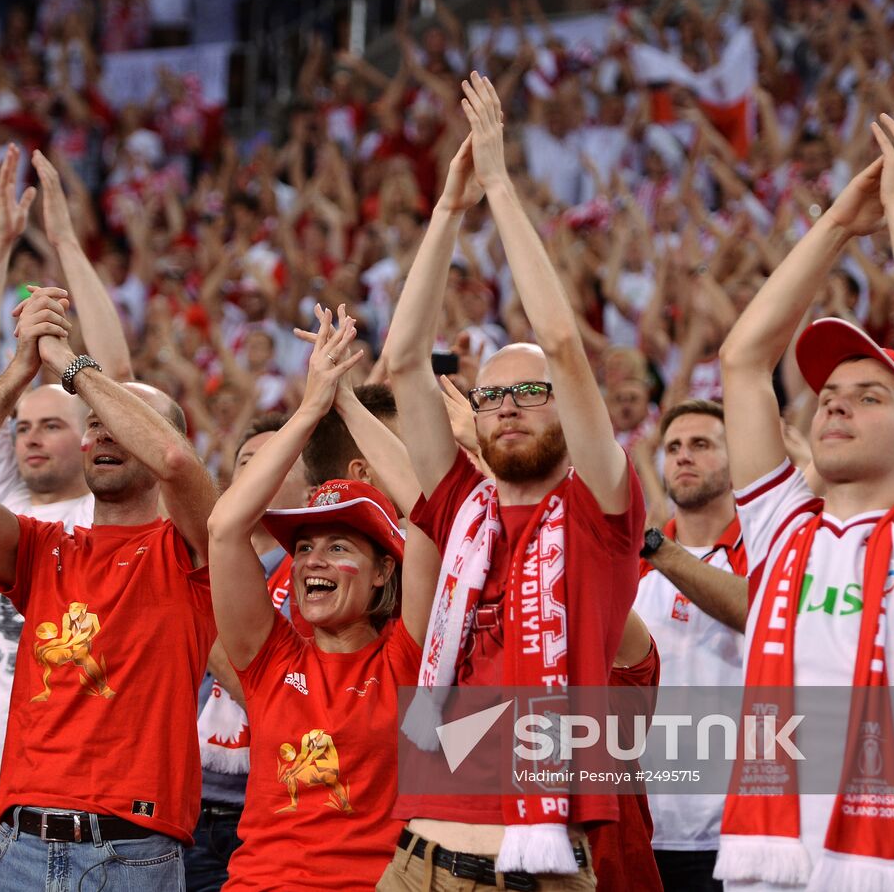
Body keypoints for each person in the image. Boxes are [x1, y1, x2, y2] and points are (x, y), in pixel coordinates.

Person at [380, 73, 643, 889]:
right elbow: (401, 364)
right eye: (491, 396)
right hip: (418, 857)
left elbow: (563, 343)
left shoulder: (601, 510)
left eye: (531, 394)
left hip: (536, 868)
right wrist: (448, 212)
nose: (508, 408)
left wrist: (497, 184)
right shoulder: (462, 504)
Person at [715, 112, 894, 890]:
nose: (834, 405)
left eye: (870, 396)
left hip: (892, 873)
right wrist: (838, 222)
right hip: (765, 869)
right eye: (829, 394)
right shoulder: (781, 529)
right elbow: (742, 360)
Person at [0, 285, 219, 891]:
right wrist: (17, 374)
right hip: (18, 845)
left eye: (121, 427)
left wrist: (73, 367)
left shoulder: (194, 548)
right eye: (96, 427)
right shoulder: (43, 546)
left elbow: (176, 461)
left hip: (134, 853)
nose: (104, 436)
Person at [0, 144, 134, 840]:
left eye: (51, 423)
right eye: (23, 426)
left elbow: (114, 371)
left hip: (74, 763)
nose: (29, 437)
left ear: (91, 433)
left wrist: (63, 241)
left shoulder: (109, 501)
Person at [208, 305, 428, 890]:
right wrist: (311, 407)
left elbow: (435, 518)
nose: (313, 562)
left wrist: (350, 404)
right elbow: (226, 529)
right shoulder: (271, 658)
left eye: (339, 545)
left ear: (385, 570)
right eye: (304, 547)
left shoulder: (408, 656)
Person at [186, 411, 307, 892]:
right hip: (187, 808)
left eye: (271, 462)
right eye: (244, 463)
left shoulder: (322, 579)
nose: (254, 473)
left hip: (270, 810)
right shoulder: (198, 565)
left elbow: (296, 701)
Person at [633, 399, 748, 891]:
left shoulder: (767, 552)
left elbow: (754, 611)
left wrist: (656, 547)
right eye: (674, 447)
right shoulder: (633, 563)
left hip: (737, 833)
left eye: (701, 445)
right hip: (644, 830)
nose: (683, 456)